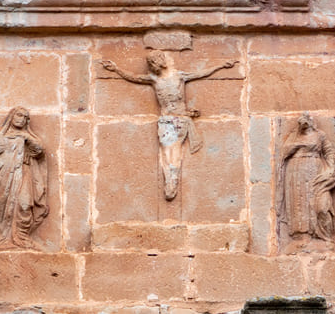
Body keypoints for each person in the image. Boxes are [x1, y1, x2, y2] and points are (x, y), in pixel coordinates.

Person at [100, 48, 239, 200]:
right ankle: (169, 179)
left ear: (161, 60)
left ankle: (173, 177)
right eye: (151, 63)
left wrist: (220, 66)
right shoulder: (154, 79)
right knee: (167, 151)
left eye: (154, 61)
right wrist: (116, 69)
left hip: (179, 120)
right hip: (165, 121)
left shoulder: (179, 76)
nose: (152, 65)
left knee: (175, 149)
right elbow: (134, 77)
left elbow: (201, 73)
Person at [0, 107, 48, 245]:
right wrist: (11, 140)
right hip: (6, 176)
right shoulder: (2, 135)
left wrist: (26, 137)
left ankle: (22, 236)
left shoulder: (27, 136)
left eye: (25, 117)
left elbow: (39, 150)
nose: (22, 119)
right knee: (7, 208)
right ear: (12, 117)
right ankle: (5, 238)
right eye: (19, 115)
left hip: (24, 174)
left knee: (25, 204)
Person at [277, 114, 335, 241]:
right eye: (301, 124)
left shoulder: (320, 135)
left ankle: (325, 236)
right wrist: (297, 145)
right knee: (298, 203)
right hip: (296, 173)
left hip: (316, 173)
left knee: (322, 206)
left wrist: (330, 169)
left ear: (311, 123)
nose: (304, 126)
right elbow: (284, 152)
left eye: (306, 123)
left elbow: (329, 152)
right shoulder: (294, 136)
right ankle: (301, 236)